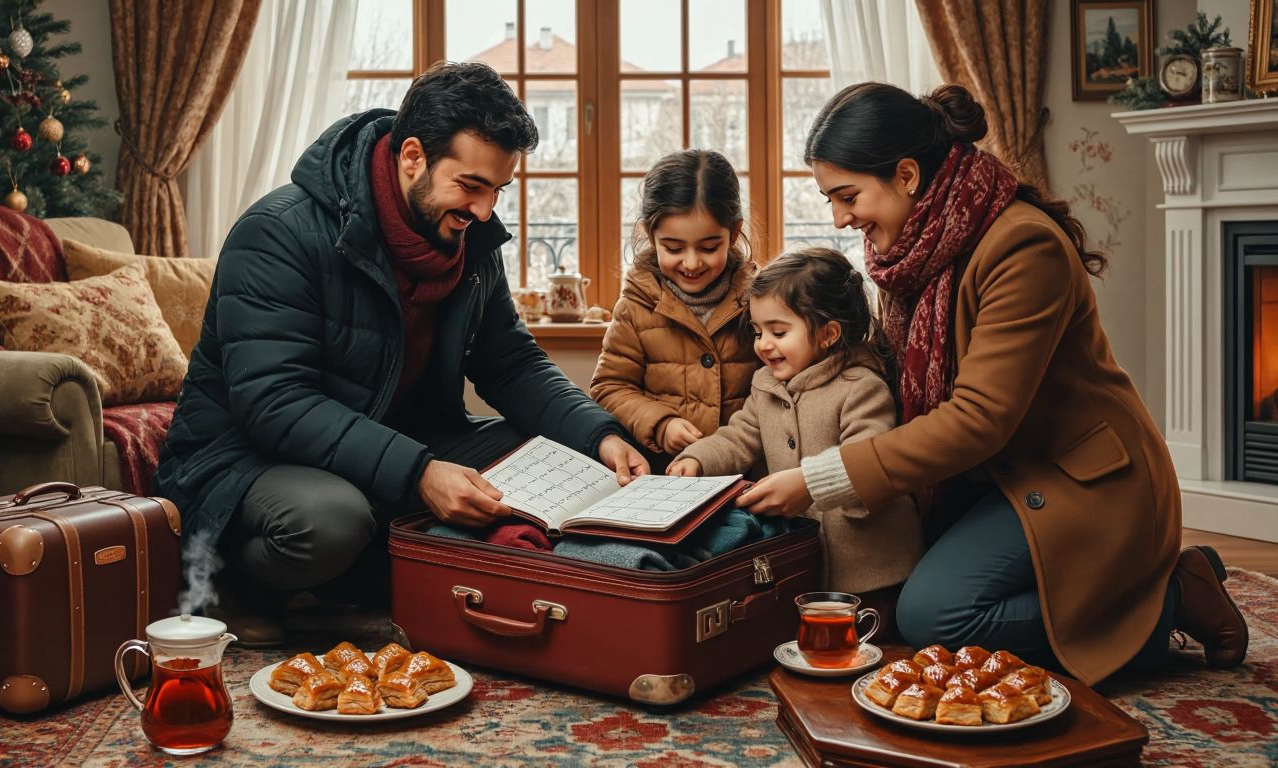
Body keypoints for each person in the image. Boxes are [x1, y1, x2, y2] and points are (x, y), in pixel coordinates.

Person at [153, 62, 647, 644]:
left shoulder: (468, 238)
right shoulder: (278, 232)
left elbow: (510, 361)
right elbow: (274, 403)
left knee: (561, 459)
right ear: (411, 156)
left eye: (497, 190)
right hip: (247, 459)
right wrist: (418, 474)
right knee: (330, 522)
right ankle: (238, 586)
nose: (485, 211)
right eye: (470, 186)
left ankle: (382, 571)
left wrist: (600, 437)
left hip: (392, 442)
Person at [776, 81, 1246, 684]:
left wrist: (819, 480)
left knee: (934, 618)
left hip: (1080, 480)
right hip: (990, 476)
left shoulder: (1022, 247)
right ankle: (1138, 590)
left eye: (847, 195)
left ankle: (1175, 598)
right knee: (891, 609)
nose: (840, 218)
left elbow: (979, 418)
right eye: (830, 199)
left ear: (908, 176)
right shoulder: (913, 251)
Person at [667, 248, 922, 626]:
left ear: (828, 334)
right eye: (757, 331)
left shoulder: (861, 388)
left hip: (868, 571)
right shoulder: (766, 385)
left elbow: (867, 469)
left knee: (865, 638)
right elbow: (738, 436)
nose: (763, 344)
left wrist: (815, 486)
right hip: (803, 566)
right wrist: (697, 459)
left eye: (779, 332)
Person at [590, 149, 761, 472]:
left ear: (735, 234)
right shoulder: (635, 305)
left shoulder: (762, 299)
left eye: (710, 248)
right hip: (664, 476)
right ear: (650, 235)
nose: (692, 262)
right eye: (674, 248)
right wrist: (660, 423)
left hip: (745, 475)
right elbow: (609, 387)